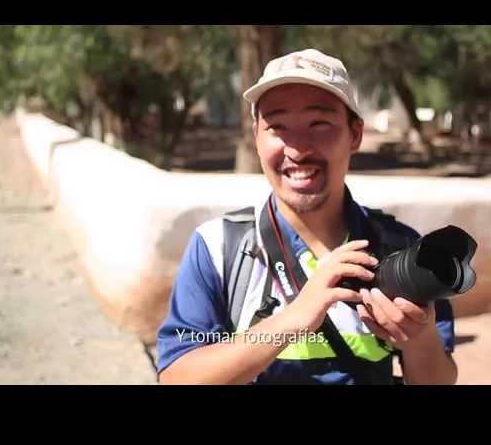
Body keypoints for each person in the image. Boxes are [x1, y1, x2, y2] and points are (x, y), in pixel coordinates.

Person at [155, 48, 457, 385]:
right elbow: (177, 377)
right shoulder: (217, 248)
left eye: (320, 124)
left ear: (354, 134)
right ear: (256, 135)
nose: (298, 149)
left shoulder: (402, 250)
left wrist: (419, 339)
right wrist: (292, 320)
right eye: (277, 126)